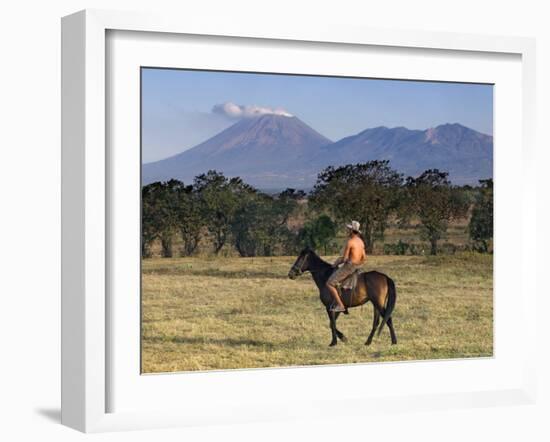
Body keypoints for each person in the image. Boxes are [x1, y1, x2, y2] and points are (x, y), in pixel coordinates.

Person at [326, 220, 367, 312]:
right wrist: (357, 264)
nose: (347, 231)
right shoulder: (361, 242)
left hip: (349, 267)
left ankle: (340, 305)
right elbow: (364, 258)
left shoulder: (350, 242)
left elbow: (344, 259)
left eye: (349, 229)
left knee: (330, 283)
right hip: (357, 266)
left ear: (352, 231)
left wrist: (336, 263)